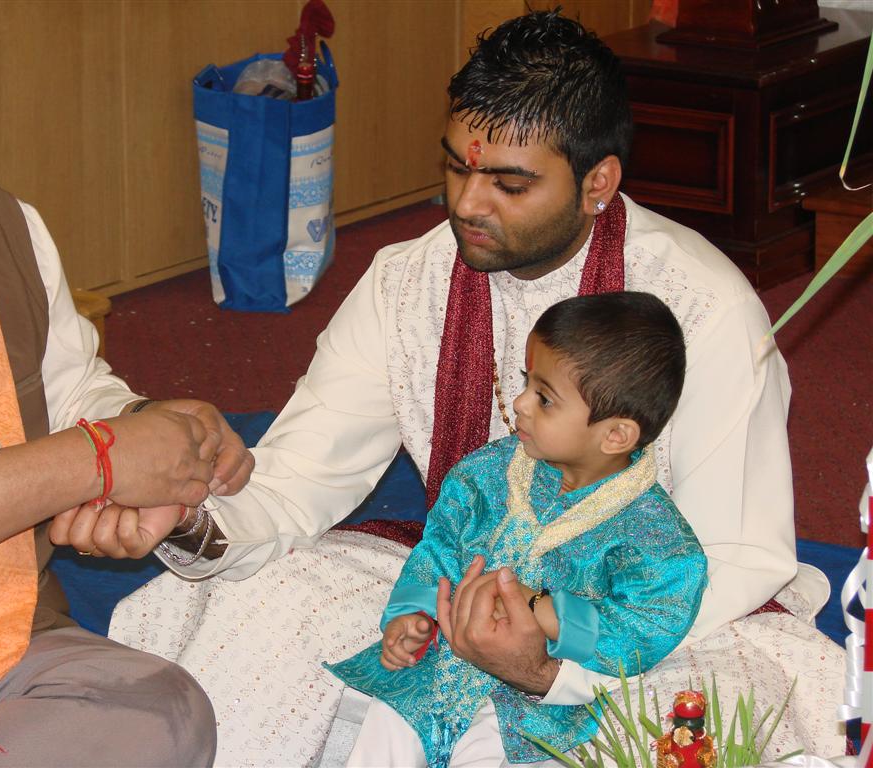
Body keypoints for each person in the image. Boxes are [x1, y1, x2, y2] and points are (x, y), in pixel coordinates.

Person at [109, 9, 839, 764]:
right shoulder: (408, 282)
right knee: (252, 609)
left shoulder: (700, 305)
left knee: (705, 723)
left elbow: (736, 554)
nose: (466, 203)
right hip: (450, 584)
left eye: (509, 183)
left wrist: (554, 660)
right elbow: (300, 476)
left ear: (599, 183)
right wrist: (192, 521)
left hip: (641, 621)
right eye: (457, 165)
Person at [0, 1, 253, 765]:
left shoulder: (0, 225)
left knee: (167, 714)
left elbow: (68, 387)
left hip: (1, 630)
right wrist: (100, 459)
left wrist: (153, 433)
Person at [326, 292, 708, 766]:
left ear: (615, 436)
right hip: (440, 664)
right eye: (527, 383)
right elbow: (441, 548)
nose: (520, 403)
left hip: (530, 708)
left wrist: (543, 611)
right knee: (386, 724)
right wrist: (416, 614)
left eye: (545, 399)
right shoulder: (488, 473)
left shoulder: (658, 541)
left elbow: (646, 627)